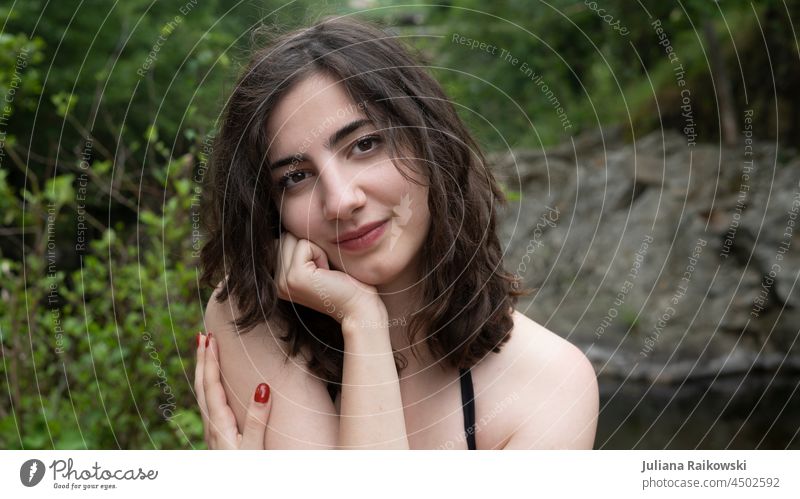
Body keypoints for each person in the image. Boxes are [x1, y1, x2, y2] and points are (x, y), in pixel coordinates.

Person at [194, 15, 598, 449]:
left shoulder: (550, 385)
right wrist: (362, 321)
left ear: (430, 144)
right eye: (295, 177)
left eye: (365, 145)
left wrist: (362, 323)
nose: (341, 200)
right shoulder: (252, 313)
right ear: (272, 209)